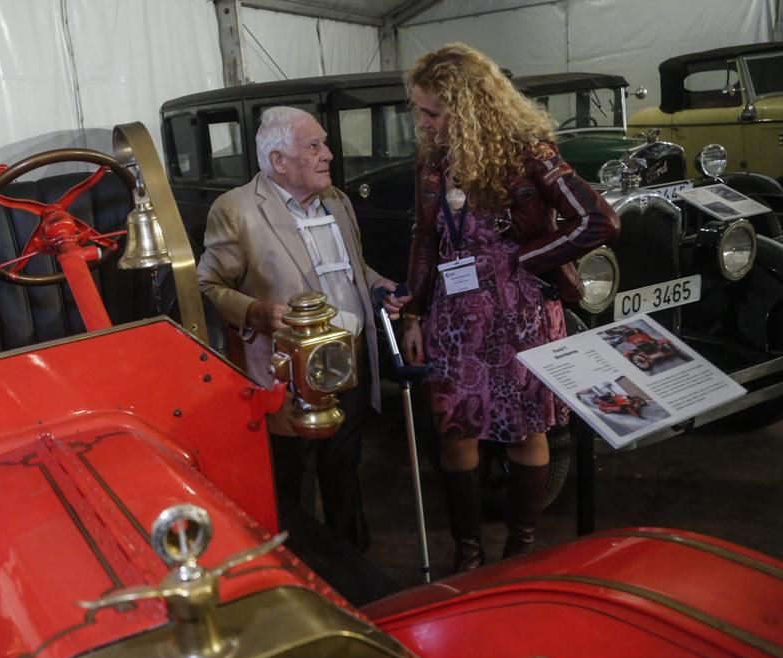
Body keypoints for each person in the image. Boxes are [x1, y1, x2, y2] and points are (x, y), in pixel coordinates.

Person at [400, 44, 619, 571]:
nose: (424, 124)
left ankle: (521, 550)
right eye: (420, 112)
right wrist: (413, 312)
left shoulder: (529, 152)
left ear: (471, 106)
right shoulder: (435, 160)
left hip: (521, 311)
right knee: (455, 429)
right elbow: (425, 240)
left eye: (433, 112)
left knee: (529, 430)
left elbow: (599, 221)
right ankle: (468, 553)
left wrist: (523, 259)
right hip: (454, 316)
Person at [197, 106, 404, 552]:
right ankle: (296, 567)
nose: (329, 155)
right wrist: (254, 312)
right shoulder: (236, 210)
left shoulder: (338, 200)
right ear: (278, 161)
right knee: (291, 480)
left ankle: (353, 561)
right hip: (286, 372)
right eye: (314, 147)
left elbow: (353, 268)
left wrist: (377, 284)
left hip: (347, 359)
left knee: (345, 468)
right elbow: (208, 284)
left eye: (324, 144)